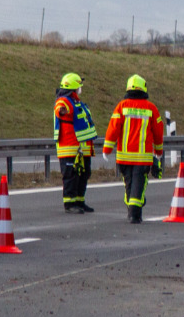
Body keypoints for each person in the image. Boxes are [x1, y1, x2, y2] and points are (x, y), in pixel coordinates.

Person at [101, 74, 164, 224]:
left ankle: (132, 209)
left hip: (124, 157)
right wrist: (158, 152)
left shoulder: (121, 106)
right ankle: (135, 214)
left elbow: (113, 128)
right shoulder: (151, 108)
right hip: (142, 158)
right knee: (138, 184)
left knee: (129, 183)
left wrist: (107, 149)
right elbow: (158, 132)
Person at [53, 72, 97, 213]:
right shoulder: (64, 101)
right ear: (73, 88)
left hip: (81, 149)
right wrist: (62, 111)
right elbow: (59, 108)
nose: (80, 88)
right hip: (69, 147)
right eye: (79, 86)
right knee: (71, 176)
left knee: (83, 174)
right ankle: (70, 204)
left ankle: (79, 201)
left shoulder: (78, 102)